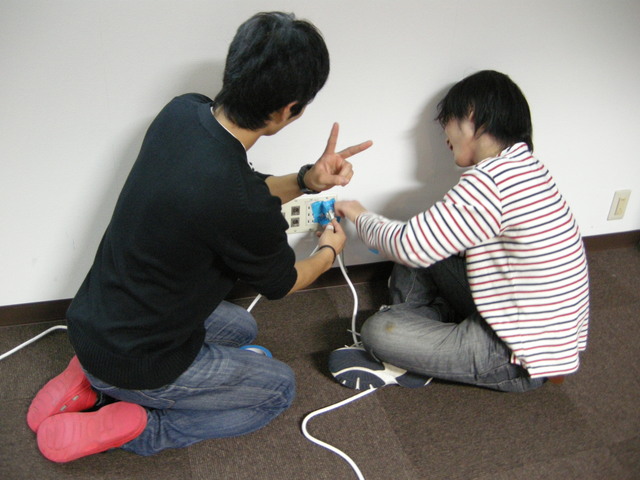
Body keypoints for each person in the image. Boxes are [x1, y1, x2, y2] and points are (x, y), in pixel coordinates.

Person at [27, 11, 372, 463]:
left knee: (242, 328)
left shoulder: (181, 112)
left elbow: (240, 193)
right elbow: (283, 282)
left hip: (95, 321)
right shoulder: (239, 202)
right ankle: (143, 428)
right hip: (137, 360)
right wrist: (329, 250)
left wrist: (307, 180)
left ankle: (87, 379)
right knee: (278, 389)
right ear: (288, 111)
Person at [329, 70, 589, 393]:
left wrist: (358, 214)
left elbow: (409, 245)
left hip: (515, 357)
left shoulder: (491, 180)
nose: (445, 138)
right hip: (532, 328)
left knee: (377, 330)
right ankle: (419, 337)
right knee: (426, 237)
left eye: (446, 125)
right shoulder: (525, 168)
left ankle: (408, 350)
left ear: (470, 114)